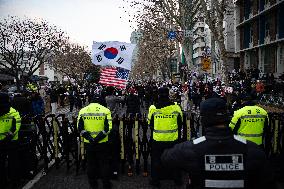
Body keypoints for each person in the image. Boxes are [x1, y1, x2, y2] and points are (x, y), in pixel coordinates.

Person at [161, 98, 275, 189]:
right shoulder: (253, 150)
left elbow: (166, 158)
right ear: (227, 117)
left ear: (203, 120)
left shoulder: (191, 149)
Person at [148, 87, 183, 187]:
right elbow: (180, 123)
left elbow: (150, 124)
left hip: (158, 139)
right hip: (173, 139)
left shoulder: (153, 108)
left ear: (158, 95)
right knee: (175, 159)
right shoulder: (176, 107)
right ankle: (177, 180)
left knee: (156, 160)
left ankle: (155, 180)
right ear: (168, 94)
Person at [77, 94, 113, 189]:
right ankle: (106, 184)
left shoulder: (83, 110)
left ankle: (93, 184)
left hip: (89, 143)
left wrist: (89, 137)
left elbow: (80, 127)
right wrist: (97, 138)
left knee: (91, 164)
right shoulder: (106, 110)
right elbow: (108, 128)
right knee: (104, 163)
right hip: (102, 142)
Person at [0, 92, 22, 188]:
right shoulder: (13, 111)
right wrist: (9, 135)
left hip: (1, 142)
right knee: (13, 162)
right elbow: (17, 125)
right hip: (12, 140)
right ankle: (14, 182)